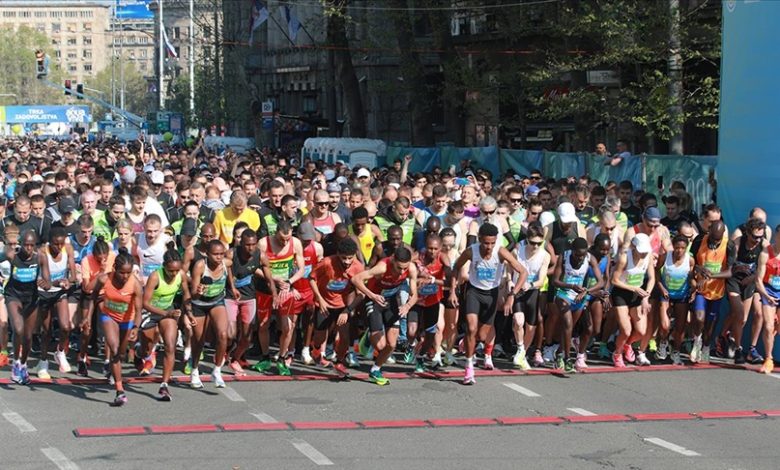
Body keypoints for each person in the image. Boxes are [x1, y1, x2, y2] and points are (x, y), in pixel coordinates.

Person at [449, 223, 528, 385]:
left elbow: (523, 272)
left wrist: (512, 295)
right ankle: (469, 368)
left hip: (491, 294)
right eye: (486, 243)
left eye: (492, 243)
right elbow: (456, 267)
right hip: (474, 292)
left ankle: (468, 342)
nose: (489, 247)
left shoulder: (500, 251)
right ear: (480, 240)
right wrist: (452, 290)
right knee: (471, 328)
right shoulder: (472, 250)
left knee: (482, 336)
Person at [351, 246, 419, 385]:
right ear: (393, 260)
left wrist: (407, 306)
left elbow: (415, 294)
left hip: (391, 301)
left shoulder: (411, 268)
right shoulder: (382, 267)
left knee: (391, 345)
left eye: (404, 268)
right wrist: (372, 295)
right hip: (374, 300)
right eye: (399, 268)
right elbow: (356, 279)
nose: (401, 272)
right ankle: (369, 336)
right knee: (381, 346)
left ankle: (375, 370)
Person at [252, 220, 306, 375]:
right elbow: (254, 267)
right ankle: (265, 358)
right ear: (275, 232)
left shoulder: (295, 243)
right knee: (263, 325)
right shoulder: (263, 243)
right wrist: (273, 278)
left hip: (285, 290)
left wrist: (290, 282)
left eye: (287, 239)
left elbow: (301, 268)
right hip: (265, 289)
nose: (285, 242)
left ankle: (282, 358)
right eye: (282, 239)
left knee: (287, 327)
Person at [91, 249, 143, 406]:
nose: (125, 277)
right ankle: (120, 391)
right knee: (114, 350)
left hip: (127, 320)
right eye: (122, 273)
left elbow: (139, 310)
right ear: (114, 268)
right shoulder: (103, 279)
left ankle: (136, 356)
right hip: (109, 316)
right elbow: (93, 297)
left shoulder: (135, 285)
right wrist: (88, 318)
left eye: (128, 273)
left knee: (121, 353)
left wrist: (135, 327)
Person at [141, 245, 192, 400]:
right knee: (145, 351)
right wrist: (165, 313)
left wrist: (189, 313)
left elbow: (186, 295)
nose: (174, 274)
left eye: (176, 270)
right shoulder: (155, 277)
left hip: (167, 312)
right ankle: (139, 352)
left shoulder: (181, 275)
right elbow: (145, 303)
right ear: (164, 267)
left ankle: (164, 385)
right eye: (171, 271)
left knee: (170, 346)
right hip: (150, 313)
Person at [309, 238, 364, 378]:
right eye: (343, 258)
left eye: (350, 258)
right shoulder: (327, 263)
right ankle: (315, 350)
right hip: (324, 304)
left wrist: (347, 310)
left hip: (341, 306)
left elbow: (361, 294)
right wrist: (319, 299)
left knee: (344, 336)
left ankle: (340, 362)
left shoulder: (358, 267)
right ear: (338, 254)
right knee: (319, 338)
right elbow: (311, 278)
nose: (346, 261)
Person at [549, 237, 604, 372]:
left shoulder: (590, 258)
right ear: (572, 251)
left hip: (579, 296)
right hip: (563, 294)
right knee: (567, 323)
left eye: (583, 255)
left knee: (569, 329)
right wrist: (571, 286)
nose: (580, 258)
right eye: (577, 255)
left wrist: (587, 291)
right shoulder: (564, 256)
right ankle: (568, 359)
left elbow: (601, 282)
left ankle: (560, 354)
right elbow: (555, 281)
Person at [190, 239, 233, 388]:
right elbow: (192, 294)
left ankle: (217, 370)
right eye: (215, 254)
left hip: (217, 302)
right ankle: (194, 370)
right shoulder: (200, 266)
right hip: (199, 304)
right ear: (207, 254)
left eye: (222, 254)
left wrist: (232, 288)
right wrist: (198, 291)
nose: (219, 257)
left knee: (223, 334)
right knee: (199, 340)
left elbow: (230, 273)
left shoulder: (226, 263)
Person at [690, 221, 735, 363]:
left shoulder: (729, 245)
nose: (714, 242)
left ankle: (706, 346)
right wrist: (698, 268)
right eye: (712, 238)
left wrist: (710, 275)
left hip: (717, 291)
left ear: (722, 236)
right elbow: (690, 262)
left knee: (710, 323)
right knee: (699, 318)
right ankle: (697, 341)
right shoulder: (699, 240)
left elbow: (729, 272)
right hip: (701, 289)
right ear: (709, 232)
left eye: (718, 240)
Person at [506, 223, 550, 370]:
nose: (536, 246)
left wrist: (530, 285)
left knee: (531, 327)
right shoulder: (518, 251)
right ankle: (520, 348)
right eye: (532, 243)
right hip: (518, 289)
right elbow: (508, 268)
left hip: (532, 291)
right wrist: (510, 281)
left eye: (539, 243)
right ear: (527, 240)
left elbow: (541, 279)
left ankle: (522, 354)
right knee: (518, 321)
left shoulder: (545, 256)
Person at [37, 227, 78, 378]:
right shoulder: (42, 252)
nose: (58, 247)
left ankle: (60, 352)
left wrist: (68, 281)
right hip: (44, 293)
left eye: (61, 244)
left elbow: (73, 275)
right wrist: (59, 281)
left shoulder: (68, 248)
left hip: (60, 292)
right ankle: (42, 362)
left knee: (66, 326)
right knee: (46, 331)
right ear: (49, 242)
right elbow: (47, 282)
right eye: (55, 244)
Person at [407, 233, 451, 372]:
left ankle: (420, 357)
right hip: (417, 300)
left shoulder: (443, 258)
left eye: (435, 248)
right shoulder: (418, 257)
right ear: (425, 247)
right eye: (429, 248)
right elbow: (403, 265)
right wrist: (415, 278)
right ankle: (410, 344)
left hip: (433, 301)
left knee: (430, 336)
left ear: (440, 248)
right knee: (411, 331)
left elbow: (449, 282)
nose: (432, 251)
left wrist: (431, 280)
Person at [610, 233, 655, 367]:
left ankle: (627, 345)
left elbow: (652, 278)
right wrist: (633, 288)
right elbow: (614, 280)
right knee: (626, 330)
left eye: (645, 251)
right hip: (621, 293)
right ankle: (617, 353)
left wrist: (646, 297)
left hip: (638, 294)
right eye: (641, 251)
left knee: (641, 331)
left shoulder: (648, 257)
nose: (643, 254)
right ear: (633, 247)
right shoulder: (624, 258)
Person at [7, 230, 41, 385]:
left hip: (31, 298)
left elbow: (46, 278)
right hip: (13, 295)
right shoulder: (13, 255)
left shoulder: (39, 257)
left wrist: (47, 283)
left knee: (28, 336)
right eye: (26, 245)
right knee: (18, 329)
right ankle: (15, 363)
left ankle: (23, 364)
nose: (28, 248)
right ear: (21, 244)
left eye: (31, 245)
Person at [225, 229, 261, 376]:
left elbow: (267, 272)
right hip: (231, 297)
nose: (250, 248)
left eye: (253, 244)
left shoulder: (260, 254)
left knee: (247, 337)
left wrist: (275, 289)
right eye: (247, 244)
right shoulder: (231, 253)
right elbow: (226, 269)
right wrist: (232, 287)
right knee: (230, 333)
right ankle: (226, 352)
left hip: (249, 297)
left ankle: (235, 359)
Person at [78, 236, 116, 378]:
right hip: (89, 295)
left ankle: (107, 361)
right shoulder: (86, 260)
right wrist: (101, 272)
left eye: (104, 258)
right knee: (86, 329)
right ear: (94, 256)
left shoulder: (113, 257)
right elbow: (87, 288)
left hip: (105, 294)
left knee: (107, 327)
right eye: (98, 258)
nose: (102, 260)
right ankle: (82, 357)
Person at [661, 235, 696, 365]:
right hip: (666, 295)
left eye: (682, 248)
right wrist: (661, 288)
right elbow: (657, 274)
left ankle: (675, 351)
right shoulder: (665, 257)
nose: (679, 251)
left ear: (686, 248)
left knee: (681, 327)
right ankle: (663, 342)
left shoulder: (690, 260)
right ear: (673, 247)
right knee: (665, 325)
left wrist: (694, 287)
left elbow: (691, 278)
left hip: (682, 296)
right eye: (677, 247)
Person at [754, 224, 780, 374]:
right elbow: (758, 280)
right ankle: (769, 359)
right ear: (776, 235)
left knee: (776, 328)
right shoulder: (765, 253)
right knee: (768, 326)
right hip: (767, 291)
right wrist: (767, 296)